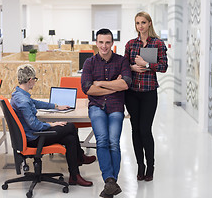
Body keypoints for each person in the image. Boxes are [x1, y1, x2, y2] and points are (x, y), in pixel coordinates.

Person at [10, 64, 96, 187]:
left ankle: (74, 176)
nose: (35, 82)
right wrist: (52, 124)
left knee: (70, 138)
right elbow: (34, 125)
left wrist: (56, 106)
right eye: (35, 79)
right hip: (34, 138)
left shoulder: (19, 95)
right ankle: (80, 157)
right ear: (30, 80)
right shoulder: (23, 101)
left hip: (30, 136)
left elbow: (35, 103)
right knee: (71, 127)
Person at [81, 28, 131, 198]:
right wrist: (113, 86)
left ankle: (111, 182)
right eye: (101, 42)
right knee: (102, 140)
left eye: (107, 42)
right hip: (96, 107)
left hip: (116, 107)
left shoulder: (122, 61)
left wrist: (100, 83)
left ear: (112, 43)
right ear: (96, 43)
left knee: (113, 142)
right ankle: (110, 180)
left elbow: (125, 84)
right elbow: (87, 88)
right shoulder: (89, 62)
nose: (104, 46)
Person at [124, 11, 168, 182]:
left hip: (149, 92)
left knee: (145, 130)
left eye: (143, 22)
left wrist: (147, 64)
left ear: (149, 23)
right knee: (135, 130)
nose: (140, 26)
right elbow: (123, 66)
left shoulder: (158, 43)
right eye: (137, 23)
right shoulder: (130, 44)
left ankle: (150, 166)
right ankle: (139, 165)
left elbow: (163, 66)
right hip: (132, 92)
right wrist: (132, 68)